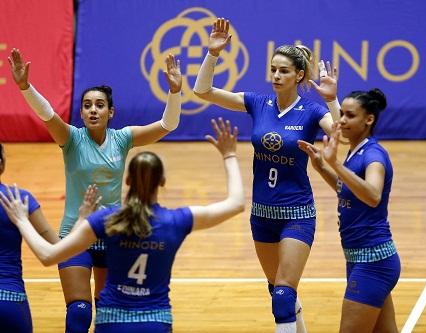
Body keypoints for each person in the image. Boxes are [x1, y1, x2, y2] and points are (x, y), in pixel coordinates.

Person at [0, 118, 245, 333]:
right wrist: (230, 156)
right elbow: (236, 203)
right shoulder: (176, 221)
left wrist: (23, 220)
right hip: (155, 321)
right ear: (163, 182)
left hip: (111, 322)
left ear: (126, 180)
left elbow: (47, 255)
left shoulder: (105, 221)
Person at [8, 48, 183, 333]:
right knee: (78, 312)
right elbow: (47, 114)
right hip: (74, 233)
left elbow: (168, 125)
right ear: (81, 112)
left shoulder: (123, 138)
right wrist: (25, 86)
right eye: (87, 105)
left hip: (111, 233)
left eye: (99, 105)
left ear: (110, 112)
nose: (93, 110)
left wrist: (175, 92)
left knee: (106, 311)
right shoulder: (71, 138)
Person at [193, 18, 341, 333]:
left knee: (284, 294)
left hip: (297, 213)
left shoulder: (313, 112)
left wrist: (332, 99)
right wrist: (213, 53)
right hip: (262, 215)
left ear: (299, 75)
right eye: (273, 69)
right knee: (277, 291)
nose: (276, 75)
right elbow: (202, 90)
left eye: (284, 70)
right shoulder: (258, 103)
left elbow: (347, 134)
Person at [298, 89, 400, 333]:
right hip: (359, 258)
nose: (342, 120)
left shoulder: (373, 156)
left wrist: (334, 164)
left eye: (350, 115)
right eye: (341, 114)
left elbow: (373, 195)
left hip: (373, 261)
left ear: (369, 120)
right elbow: (349, 189)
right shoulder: (356, 151)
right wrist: (322, 167)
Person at [0, 142, 60, 333]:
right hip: (10, 298)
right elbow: (56, 247)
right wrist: (84, 220)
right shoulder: (19, 198)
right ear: (1, 164)